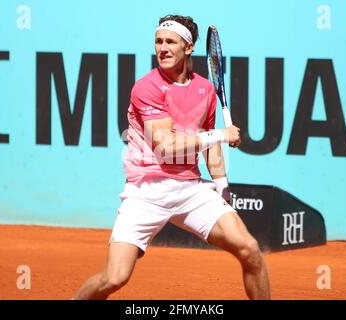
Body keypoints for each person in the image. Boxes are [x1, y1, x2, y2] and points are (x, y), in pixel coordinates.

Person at [73, 14, 271, 300]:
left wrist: (222, 186)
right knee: (114, 278)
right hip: (146, 192)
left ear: (188, 48)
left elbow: (209, 147)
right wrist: (220, 135)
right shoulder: (147, 87)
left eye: (170, 42)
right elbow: (167, 147)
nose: (162, 48)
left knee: (250, 250)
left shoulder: (205, 89)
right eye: (158, 41)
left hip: (190, 190)